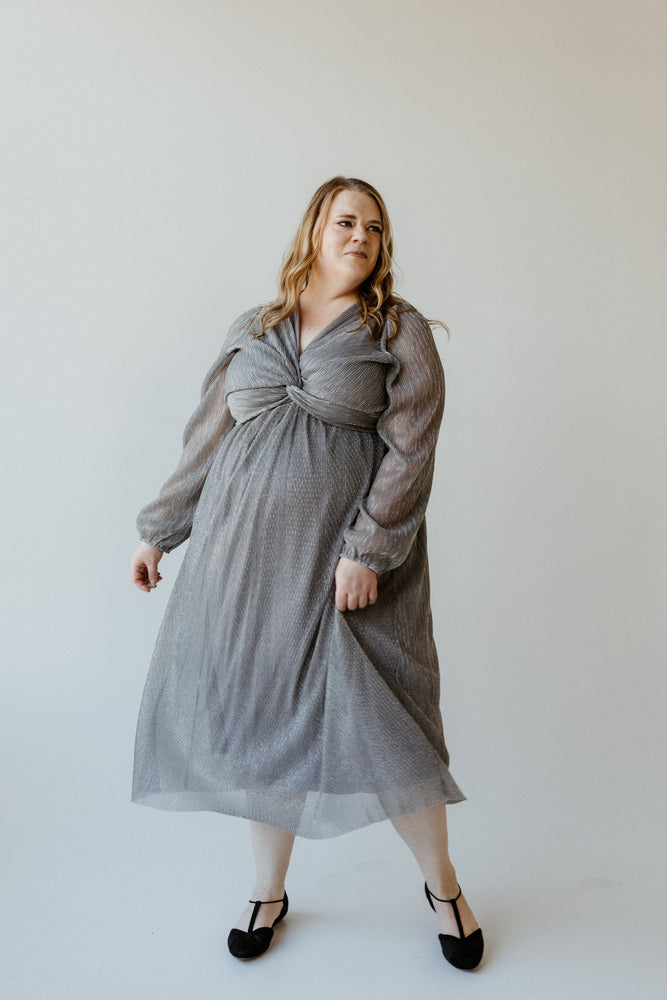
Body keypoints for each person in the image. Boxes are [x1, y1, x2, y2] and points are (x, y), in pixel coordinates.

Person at [129, 176, 484, 971]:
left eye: (373, 227)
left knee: (392, 728)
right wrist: (158, 532)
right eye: (345, 221)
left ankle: (443, 886)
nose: (360, 236)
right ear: (313, 230)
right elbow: (206, 439)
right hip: (245, 565)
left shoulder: (396, 328)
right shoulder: (253, 327)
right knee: (263, 726)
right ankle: (268, 891)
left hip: (342, 567)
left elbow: (411, 449)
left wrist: (368, 549)